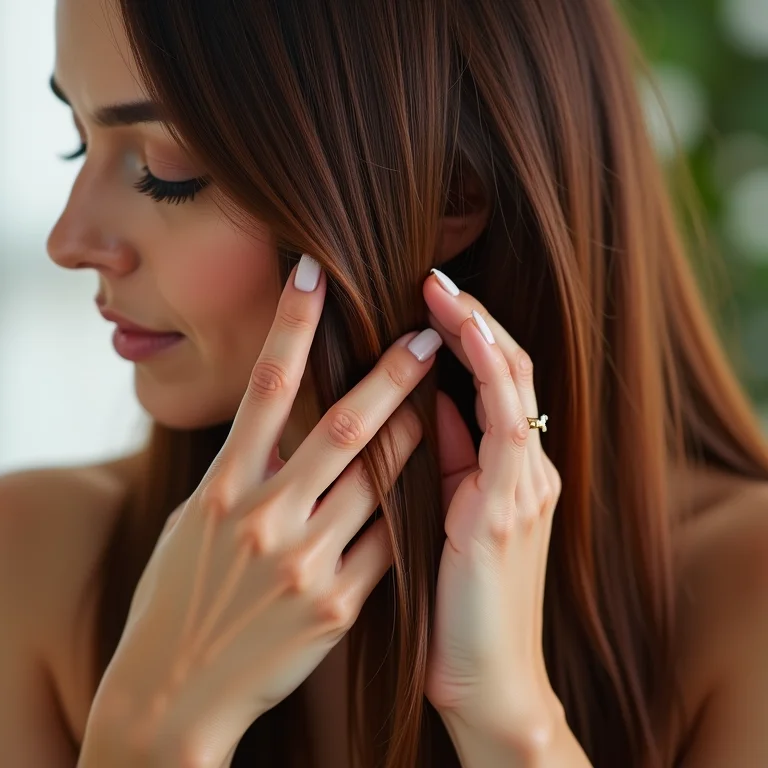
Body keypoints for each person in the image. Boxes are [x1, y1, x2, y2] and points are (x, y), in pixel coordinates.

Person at [2, 0, 768, 765]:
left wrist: (513, 723)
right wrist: (150, 730)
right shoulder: (33, 558)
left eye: (165, 170)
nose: (69, 242)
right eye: (78, 143)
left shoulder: (743, 591)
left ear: (452, 193)